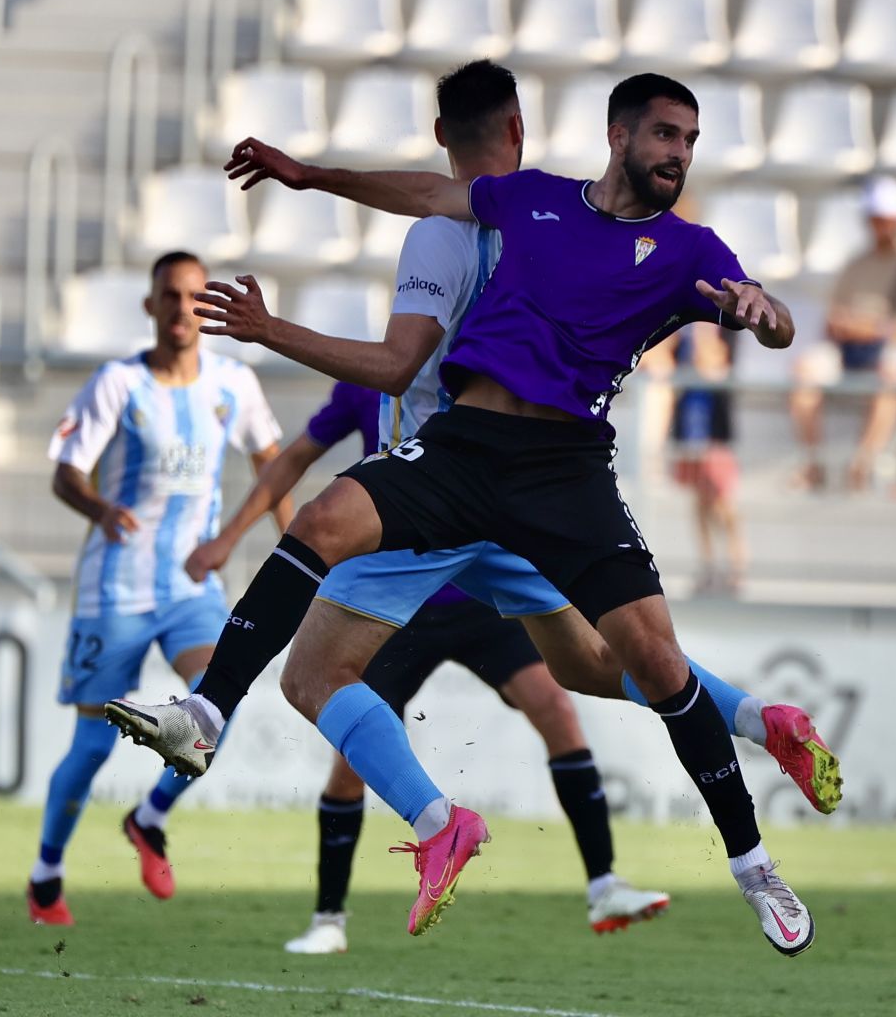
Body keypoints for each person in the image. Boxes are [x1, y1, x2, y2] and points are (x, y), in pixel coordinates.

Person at [109, 70, 824, 957]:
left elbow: (773, 317)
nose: (678, 153)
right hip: (465, 448)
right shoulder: (529, 202)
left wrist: (766, 315)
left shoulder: (690, 250)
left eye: (689, 140)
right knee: (326, 518)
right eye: (665, 136)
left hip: (565, 471)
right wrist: (310, 178)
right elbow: (425, 191)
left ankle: (754, 866)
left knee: (649, 662)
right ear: (619, 136)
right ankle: (207, 715)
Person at [253, 379, 671, 952]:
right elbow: (294, 458)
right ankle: (329, 919)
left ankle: (604, 883)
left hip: (481, 596)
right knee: (351, 758)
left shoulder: (484, 371)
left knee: (556, 708)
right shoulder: (370, 376)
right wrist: (292, 551)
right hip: (399, 602)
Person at [26, 250, 293, 926]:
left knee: (215, 704)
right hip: (114, 587)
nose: (181, 309)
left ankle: (149, 818)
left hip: (189, 587)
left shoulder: (233, 384)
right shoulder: (118, 383)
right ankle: (46, 874)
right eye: (169, 296)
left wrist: (301, 550)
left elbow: (277, 468)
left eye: (194, 297)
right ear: (150, 306)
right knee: (89, 747)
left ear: (208, 307)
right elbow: (66, 473)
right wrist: (98, 509)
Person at [787, 178, 896, 492]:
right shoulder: (856, 264)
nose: (881, 227)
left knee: (890, 375)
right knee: (804, 370)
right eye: (876, 219)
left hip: (888, 350)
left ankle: (862, 464)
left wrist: (863, 326)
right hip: (850, 347)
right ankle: (814, 463)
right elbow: (834, 320)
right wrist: (866, 326)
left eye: (887, 220)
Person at [649, 322, 745, 594]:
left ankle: (736, 566)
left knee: (723, 503)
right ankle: (709, 565)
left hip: (714, 437)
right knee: (700, 504)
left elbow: (712, 360)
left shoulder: (721, 329)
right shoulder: (682, 331)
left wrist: (699, 329)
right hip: (690, 433)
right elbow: (660, 359)